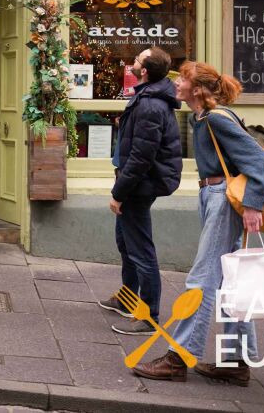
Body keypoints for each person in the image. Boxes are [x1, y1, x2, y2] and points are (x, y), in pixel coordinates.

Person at [132, 61, 264, 386]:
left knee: (203, 278)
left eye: (182, 78)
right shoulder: (202, 118)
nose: (176, 83)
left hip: (224, 198)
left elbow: (257, 159)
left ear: (196, 88)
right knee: (229, 282)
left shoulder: (217, 119)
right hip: (215, 195)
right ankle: (236, 361)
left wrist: (252, 204)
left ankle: (177, 358)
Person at [98, 47, 182, 336]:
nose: (131, 62)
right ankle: (127, 299)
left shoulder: (150, 104)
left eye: (136, 60)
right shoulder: (148, 96)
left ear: (144, 70)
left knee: (141, 249)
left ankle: (149, 315)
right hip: (135, 181)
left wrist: (119, 192)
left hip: (138, 185)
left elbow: (142, 156)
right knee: (125, 242)